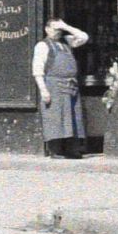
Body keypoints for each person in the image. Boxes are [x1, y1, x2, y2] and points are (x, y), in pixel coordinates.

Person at [33, 17, 90, 158]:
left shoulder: (67, 42)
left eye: (59, 30)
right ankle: (55, 150)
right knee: (55, 117)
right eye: (54, 29)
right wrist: (43, 90)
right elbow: (37, 70)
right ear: (47, 29)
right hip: (53, 85)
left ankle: (71, 149)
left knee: (73, 117)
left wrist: (66, 26)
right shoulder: (42, 45)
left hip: (71, 86)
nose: (57, 32)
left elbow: (84, 37)